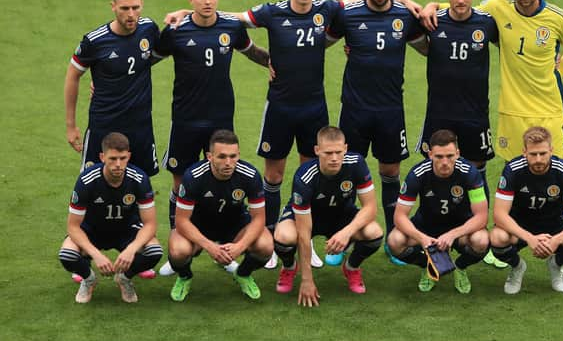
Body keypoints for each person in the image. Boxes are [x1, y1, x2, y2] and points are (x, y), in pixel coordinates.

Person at [164, 0, 339, 269]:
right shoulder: (272, 12)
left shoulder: (325, 9)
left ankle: (305, 240)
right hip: (279, 107)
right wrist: (187, 14)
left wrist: (404, 1)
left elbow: (356, 3)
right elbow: (236, 19)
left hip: (314, 107)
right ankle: (270, 238)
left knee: (309, 176)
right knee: (273, 176)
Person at [153, 0, 270, 277]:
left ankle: (228, 245)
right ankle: (177, 250)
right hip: (186, 119)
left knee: (222, 177)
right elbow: (145, 60)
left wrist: (280, 63)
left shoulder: (230, 27)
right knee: (180, 183)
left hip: (220, 121)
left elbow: (253, 52)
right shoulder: (176, 31)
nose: (207, 2)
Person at [420, 0, 563, 162]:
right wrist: (433, 6)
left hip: (550, 108)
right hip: (512, 110)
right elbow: (465, 8)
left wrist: (558, 72)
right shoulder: (498, 8)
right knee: (514, 168)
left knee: (555, 168)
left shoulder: (558, 18)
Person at [326, 0, 428, 265]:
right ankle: (343, 239)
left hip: (390, 110)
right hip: (354, 109)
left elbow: (426, 48)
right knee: (347, 171)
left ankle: (394, 241)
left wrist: (423, 7)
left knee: (390, 172)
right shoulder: (348, 14)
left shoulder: (405, 15)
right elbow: (321, 41)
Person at [415, 0, 505, 269]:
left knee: (476, 172)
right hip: (439, 116)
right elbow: (407, 7)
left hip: (475, 115)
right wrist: (430, 5)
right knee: (435, 170)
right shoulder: (434, 19)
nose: (461, 0)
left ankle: (480, 234)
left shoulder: (486, 22)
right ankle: (429, 235)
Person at [272, 126, 383, 306]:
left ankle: (351, 267)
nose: (334, 158)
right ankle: (289, 266)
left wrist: (346, 233)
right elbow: (304, 231)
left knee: (374, 233)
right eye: (328, 153)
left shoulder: (356, 163)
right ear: (317, 151)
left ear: (345, 149)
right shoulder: (305, 177)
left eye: (338, 152)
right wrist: (307, 279)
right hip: (309, 219)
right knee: (284, 237)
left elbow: (370, 207)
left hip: (342, 217)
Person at [64, 0, 162, 177]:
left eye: (136, 7)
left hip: (140, 124)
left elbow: (153, 56)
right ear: (113, 6)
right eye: (125, 8)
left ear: (142, 4)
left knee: (140, 183)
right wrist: (71, 125)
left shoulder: (149, 28)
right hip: (104, 125)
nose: (131, 14)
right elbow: (72, 76)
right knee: (93, 181)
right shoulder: (95, 41)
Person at [167, 130, 273, 301]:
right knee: (178, 251)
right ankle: (185, 277)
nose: (228, 163)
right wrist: (210, 246)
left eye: (233, 156)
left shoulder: (250, 175)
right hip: (199, 226)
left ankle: (243, 274)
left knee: (266, 245)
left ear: (239, 155)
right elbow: (181, 221)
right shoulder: (194, 176)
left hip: (235, 226)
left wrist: (240, 246)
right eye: (222, 157)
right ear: (209, 156)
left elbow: (259, 218)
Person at [58, 132, 163, 303]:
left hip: (126, 230)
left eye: (122, 158)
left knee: (154, 251)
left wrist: (132, 249)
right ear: (102, 157)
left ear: (129, 156)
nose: (118, 164)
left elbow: (150, 224)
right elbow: (73, 227)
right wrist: (95, 254)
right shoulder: (87, 180)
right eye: (113, 158)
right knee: (67, 254)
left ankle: (124, 278)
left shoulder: (139, 179)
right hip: (92, 230)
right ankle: (89, 279)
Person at [490, 126, 563, 294]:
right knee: (497, 237)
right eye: (533, 154)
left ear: (551, 150)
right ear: (524, 152)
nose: (538, 159)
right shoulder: (513, 170)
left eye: (543, 153)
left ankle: (556, 264)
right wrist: (530, 238)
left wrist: (556, 240)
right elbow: (499, 214)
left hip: (555, 225)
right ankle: (517, 267)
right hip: (520, 226)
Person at [387, 129, 489, 294]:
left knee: (481, 240)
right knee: (394, 241)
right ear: (430, 154)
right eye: (439, 156)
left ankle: (460, 267)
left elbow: (482, 217)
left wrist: (452, 235)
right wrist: (422, 238)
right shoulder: (417, 174)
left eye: (450, 156)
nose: (444, 162)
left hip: (459, 229)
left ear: (457, 153)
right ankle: (428, 265)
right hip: (426, 227)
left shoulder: (470, 173)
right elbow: (399, 216)